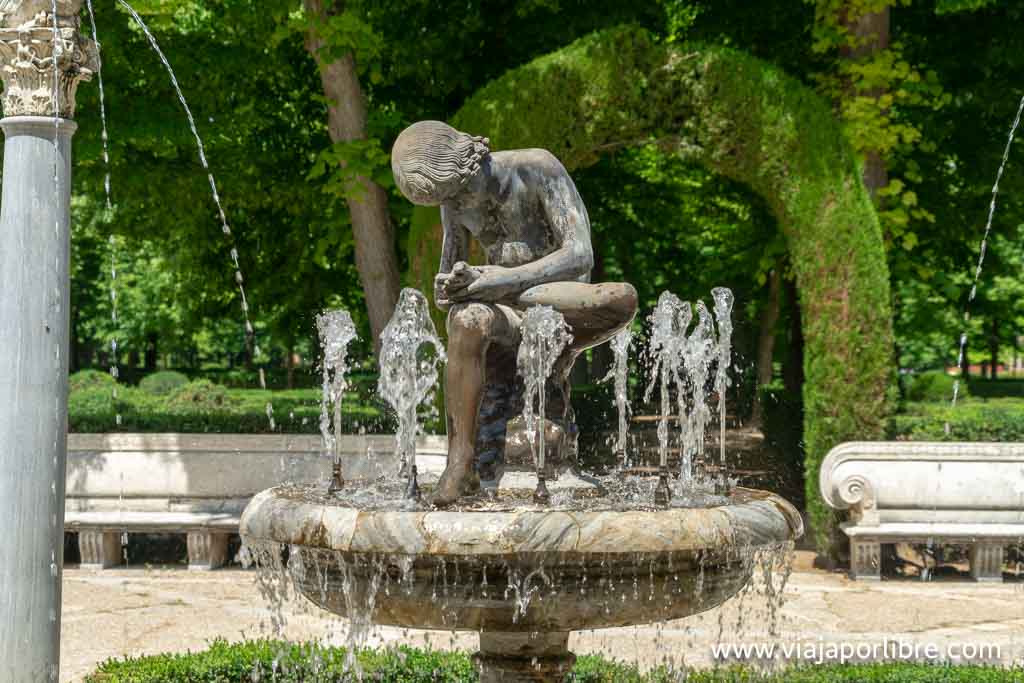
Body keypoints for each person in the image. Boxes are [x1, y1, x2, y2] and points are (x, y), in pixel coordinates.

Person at [391, 121, 637, 506]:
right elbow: (450, 274)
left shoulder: (537, 167)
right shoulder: (451, 200)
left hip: (558, 302)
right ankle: (460, 466)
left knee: (622, 297)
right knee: (466, 319)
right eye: (448, 199)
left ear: (471, 162)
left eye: (461, 192)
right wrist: (449, 289)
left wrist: (503, 280)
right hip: (508, 309)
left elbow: (580, 253)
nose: (457, 204)